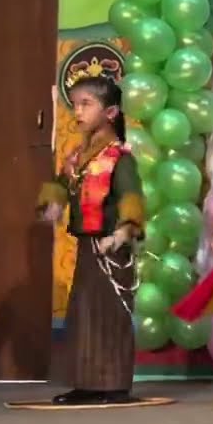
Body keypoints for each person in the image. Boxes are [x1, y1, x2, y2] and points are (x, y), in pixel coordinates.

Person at [37, 76, 145, 406]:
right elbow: (59, 185)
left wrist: (122, 233)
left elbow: (131, 197)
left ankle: (113, 385)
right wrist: (53, 205)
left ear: (110, 111)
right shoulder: (77, 157)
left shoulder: (120, 158)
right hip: (87, 247)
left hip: (111, 248)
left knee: (110, 315)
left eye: (86, 104)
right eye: (75, 104)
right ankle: (85, 383)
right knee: (83, 313)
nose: (78, 111)